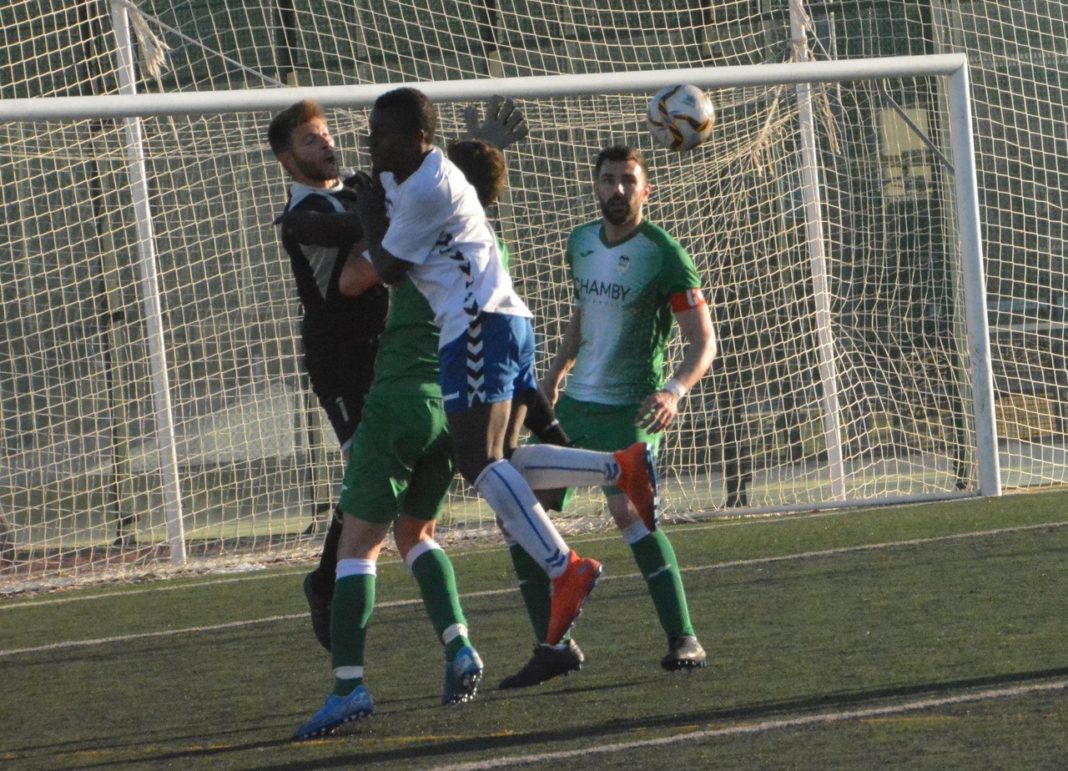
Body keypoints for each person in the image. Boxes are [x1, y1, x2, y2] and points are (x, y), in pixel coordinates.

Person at [350, 87, 661, 660]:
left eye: (384, 132)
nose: (373, 140)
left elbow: (389, 269)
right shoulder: (411, 174)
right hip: (502, 321)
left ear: (418, 140)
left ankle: (565, 565)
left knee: (478, 461)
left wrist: (366, 217)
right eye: (372, 129)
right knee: (507, 461)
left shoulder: (426, 185)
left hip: (475, 327)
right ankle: (619, 467)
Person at [499, 145, 718, 688]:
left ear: (647, 190)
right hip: (577, 405)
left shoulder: (665, 253)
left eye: (628, 181)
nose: (616, 190)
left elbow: (702, 341)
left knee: (629, 515)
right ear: (593, 186)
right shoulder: (579, 243)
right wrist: (554, 373)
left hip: (633, 406)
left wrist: (673, 391)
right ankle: (553, 646)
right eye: (607, 180)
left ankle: (683, 636)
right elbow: (582, 315)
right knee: (518, 510)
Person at [267, 99, 389, 653]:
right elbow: (352, 237)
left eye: (325, 134)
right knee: (367, 470)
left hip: (388, 351)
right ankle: (326, 582)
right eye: (310, 140)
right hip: (338, 362)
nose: (326, 145)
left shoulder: (358, 192)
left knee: (385, 476)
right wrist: (385, 199)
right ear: (286, 160)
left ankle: (338, 575)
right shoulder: (301, 220)